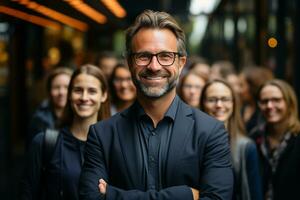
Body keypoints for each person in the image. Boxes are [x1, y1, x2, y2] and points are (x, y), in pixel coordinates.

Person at [79, 10, 233, 200]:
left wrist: (112, 195)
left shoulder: (211, 132)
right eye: (143, 56)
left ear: (181, 63)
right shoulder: (102, 135)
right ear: (129, 62)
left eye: (165, 56)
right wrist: (185, 194)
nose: (154, 66)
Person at [19, 64, 110, 200]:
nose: (84, 97)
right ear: (69, 95)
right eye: (78, 90)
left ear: (103, 95)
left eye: (92, 91)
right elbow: (27, 194)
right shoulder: (45, 143)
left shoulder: (116, 145)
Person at [200, 79, 263, 200]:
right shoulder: (191, 142)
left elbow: (254, 194)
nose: (219, 105)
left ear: (234, 103)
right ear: (203, 103)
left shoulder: (246, 146)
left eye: (225, 99)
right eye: (212, 100)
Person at [250, 79, 300, 200]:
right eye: (264, 101)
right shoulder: (253, 138)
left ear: (289, 102)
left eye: (276, 100)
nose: (269, 106)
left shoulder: (297, 138)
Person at [27, 67, 72, 145]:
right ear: (49, 91)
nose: (61, 92)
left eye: (66, 87)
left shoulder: (80, 116)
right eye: (56, 87)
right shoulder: (39, 119)